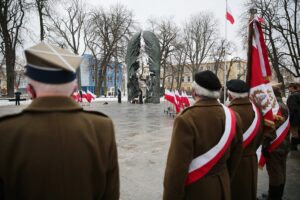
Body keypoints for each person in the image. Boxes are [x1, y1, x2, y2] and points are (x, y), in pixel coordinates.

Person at [0, 42, 119, 200]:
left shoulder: (5, 133)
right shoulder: (102, 128)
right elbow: (110, 195)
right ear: (74, 89)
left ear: (30, 90)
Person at [163, 70, 243, 200]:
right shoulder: (232, 116)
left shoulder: (186, 119)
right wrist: (224, 176)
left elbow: (176, 169)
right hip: (223, 186)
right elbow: (237, 154)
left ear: (194, 92)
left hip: (196, 190)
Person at [226, 79, 264, 200]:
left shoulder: (229, 113)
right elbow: (262, 135)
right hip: (251, 159)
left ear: (230, 95)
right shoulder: (257, 110)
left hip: (233, 163)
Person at [263, 86, 290, 200]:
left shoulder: (275, 108)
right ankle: (276, 194)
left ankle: (274, 196)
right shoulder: (283, 106)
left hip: (275, 145)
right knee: (281, 169)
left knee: (275, 172)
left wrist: (266, 143)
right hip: (284, 144)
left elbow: (272, 127)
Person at [287, 82, 300, 150]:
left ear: (292, 87)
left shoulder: (293, 96)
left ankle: (293, 147)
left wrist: (290, 119)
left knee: (294, 132)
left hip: (295, 118)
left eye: (289, 87)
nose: (288, 89)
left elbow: (293, 108)